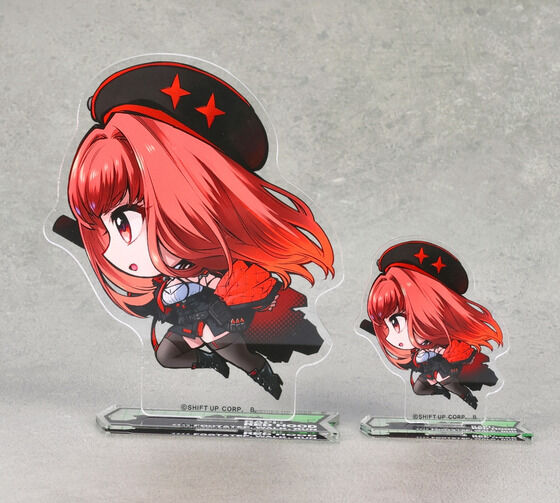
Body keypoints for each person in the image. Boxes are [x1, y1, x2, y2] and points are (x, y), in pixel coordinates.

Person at [55, 62, 335, 400]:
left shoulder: (215, 268)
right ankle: (210, 363)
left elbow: (243, 288)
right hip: (189, 321)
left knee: (232, 350)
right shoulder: (166, 281)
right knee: (166, 356)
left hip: (217, 319)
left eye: (126, 221)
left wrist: (228, 294)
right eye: (109, 224)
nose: (112, 249)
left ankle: (260, 372)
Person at [362, 241, 502, 409]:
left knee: (448, 382)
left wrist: (449, 358)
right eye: (387, 324)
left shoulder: (446, 346)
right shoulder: (417, 352)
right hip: (429, 370)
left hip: (446, 369)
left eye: (396, 321)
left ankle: (466, 396)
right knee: (419, 388)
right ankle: (441, 392)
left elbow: (462, 354)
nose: (391, 335)